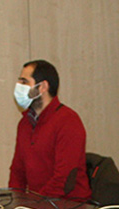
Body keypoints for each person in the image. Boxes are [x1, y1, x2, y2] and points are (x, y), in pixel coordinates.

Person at [9, 60, 91, 201]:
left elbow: (63, 179)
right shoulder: (25, 123)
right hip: (39, 207)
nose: (19, 87)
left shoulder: (68, 121)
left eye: (24, 82)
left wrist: (35, 205)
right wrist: (16, 202)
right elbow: (17, 172)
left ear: (43, 87)